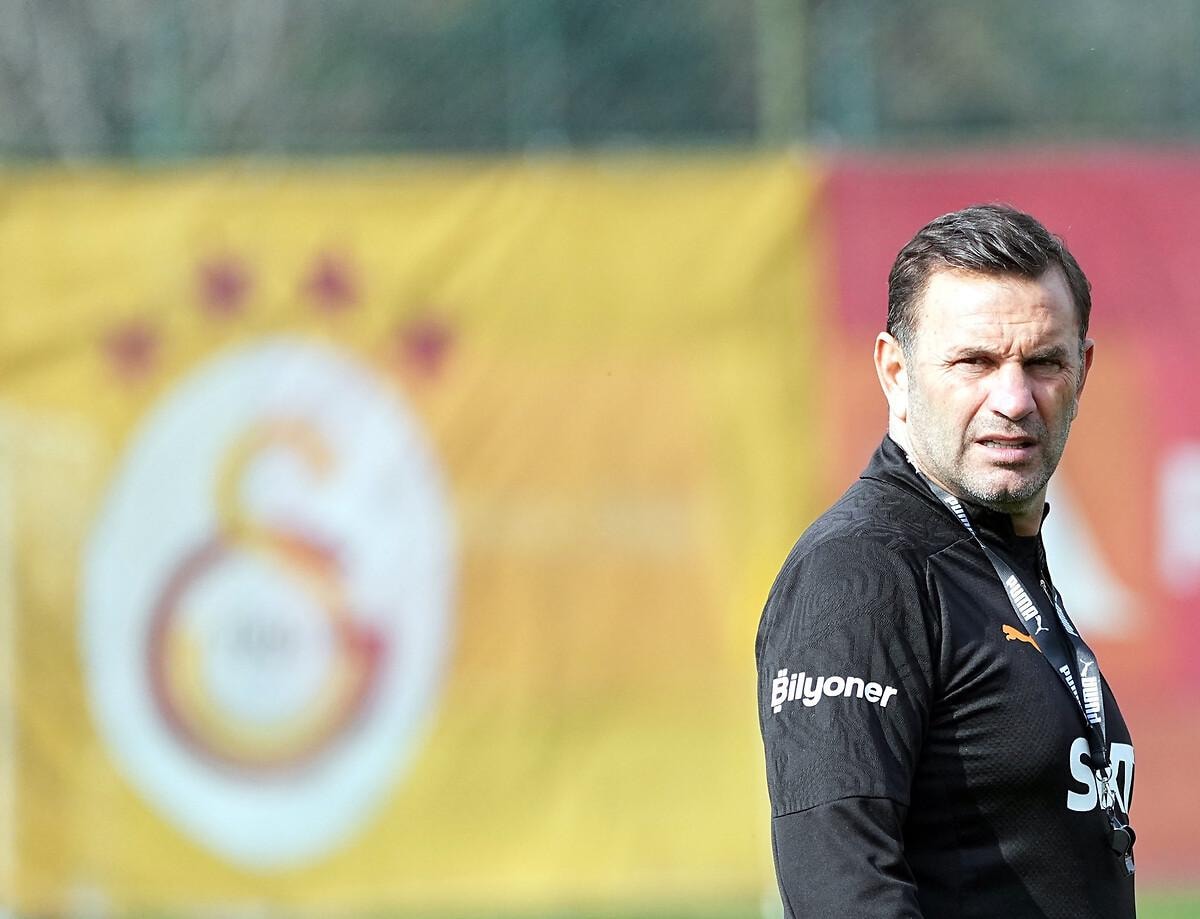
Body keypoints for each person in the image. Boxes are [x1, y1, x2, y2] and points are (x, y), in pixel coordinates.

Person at [756, 204, 1135, 919]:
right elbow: (844, 892)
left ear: (1082, 371)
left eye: (1043, 362)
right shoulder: (861, 572)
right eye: (974, 363)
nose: (1014, 400)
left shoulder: (1001, 557)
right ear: (895, 371)